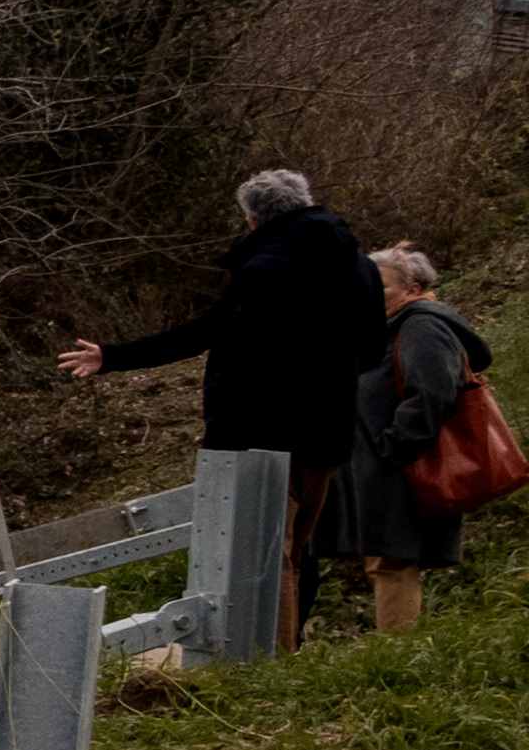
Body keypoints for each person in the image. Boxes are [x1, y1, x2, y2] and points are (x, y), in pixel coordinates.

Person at [64, 169, 389, 648]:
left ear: (253, 218)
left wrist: (114, 356)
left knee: (264, 548)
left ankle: (270, 657)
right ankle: (291, 644)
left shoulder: (267, 267)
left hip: (260, 426)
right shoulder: (357, 264)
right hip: (329, 424)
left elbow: (209, 331)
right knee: (298, 545)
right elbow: (373, 344)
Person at [345, 242, 495, 637]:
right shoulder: (398, 326)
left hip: (404, 465)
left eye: (382, 289)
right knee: (386, 559)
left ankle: (395, 656)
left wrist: (393, 446)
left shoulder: (421, 325)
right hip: (392, 463)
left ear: (412, 288)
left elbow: (431, 392)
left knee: (393, 561)